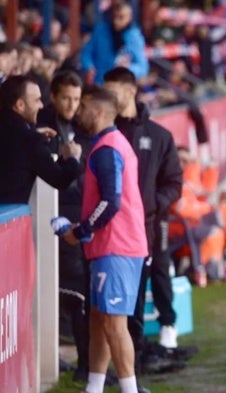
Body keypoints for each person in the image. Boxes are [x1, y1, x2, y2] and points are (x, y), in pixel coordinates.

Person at [102, 67, 196, 379]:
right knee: (119, 297)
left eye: (113, 90)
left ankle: (163, 335)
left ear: (130, 91)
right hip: (109, 231)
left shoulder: (158, 136)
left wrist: (152, 205)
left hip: (150, 225)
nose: (108, 97)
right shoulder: (103, 134)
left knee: (158, 274)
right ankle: (116, 363)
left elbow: (174, 182)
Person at [60, 85, 147, 393]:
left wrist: (81, 230)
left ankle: (129, 389)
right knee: (99, 320)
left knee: (113, 323)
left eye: (82, 106)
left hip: (116, 247)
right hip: (113, 246)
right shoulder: (110, 145)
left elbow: (111, 202)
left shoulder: (108, 148)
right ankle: (94, 388)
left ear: (97, 111)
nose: (77, 111)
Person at [37, 70, 94, 383]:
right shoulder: (42, 128)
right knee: (67, 295)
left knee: (80, 296)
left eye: (76, 99)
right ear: (54, 97)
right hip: (52, 217)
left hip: (80, 217)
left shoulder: (84, 128)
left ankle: (87, 365)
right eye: (67, 99)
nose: (72, 105)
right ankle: (72, 363)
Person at [0, 74, 82, 204]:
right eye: (37, 100)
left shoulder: (28, 137)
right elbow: (60, 179)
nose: (42, 105)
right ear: (20, 105)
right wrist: (73, 158)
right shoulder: (30, 140)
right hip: (9, 220)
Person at [81, 1, 149, 85]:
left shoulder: (135, 37)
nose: (116, 21)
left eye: (121, 17)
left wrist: (128, 68)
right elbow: (87, 51)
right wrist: (88, 66)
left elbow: (142, 68)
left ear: (129, 17)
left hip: (120, 85)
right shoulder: (101, 30)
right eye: (115, 17)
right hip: (99, 82)